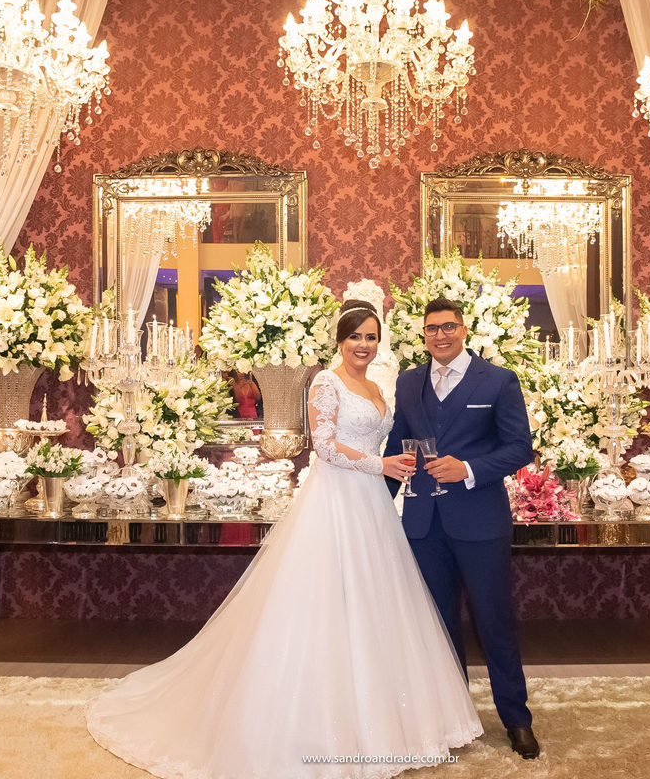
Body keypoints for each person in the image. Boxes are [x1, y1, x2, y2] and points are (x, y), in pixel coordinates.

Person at [87, 299, 482, 779]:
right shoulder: (325, 382)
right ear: (339, 341)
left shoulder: (380, 386)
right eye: (355, 336)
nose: (363, 345)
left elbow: (389, 440)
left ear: (381, 342)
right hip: (335, 500)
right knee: (321, 605)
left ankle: (386, 718)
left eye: (371, 337)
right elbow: (325, 445)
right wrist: (380, 464)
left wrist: (402, 464)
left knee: (377, 601)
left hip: (373, 505)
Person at [384, 296, 539, 760]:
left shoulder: (498, 380)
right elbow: (395, 448)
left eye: (448, 326)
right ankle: (451, 720)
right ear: (424, 334)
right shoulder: (409, 383)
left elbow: (519, 449)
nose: (440, 335)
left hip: (480, 522)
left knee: (495, 622)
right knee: (438, 625)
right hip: (423, 524)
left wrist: (469, 468)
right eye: (432, 329)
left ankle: (517, 720)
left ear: (464, 329)